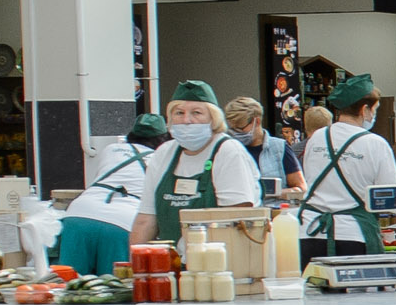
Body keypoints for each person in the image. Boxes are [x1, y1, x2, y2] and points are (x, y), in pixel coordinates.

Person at [131, 83, 264, 247]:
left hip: (220, 262)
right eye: (179, 113)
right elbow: (146, 219)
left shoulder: (228, 151)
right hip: (172, 262)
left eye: (197, 113)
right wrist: (135, 262)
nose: (187, 120)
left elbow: (236, 217)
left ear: (213, 119)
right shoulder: (163, 153)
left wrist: (194, 250)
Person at [293, 75, 396, 264]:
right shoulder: (375, 144)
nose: (373, 115)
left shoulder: (317, 137)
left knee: (313, 289)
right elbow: (389, 200)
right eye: (375, 110)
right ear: (365, 109)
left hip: (310, 232)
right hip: (352, 235)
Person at [57, 112, 167, 274]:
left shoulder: (111, 149)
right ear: (163, 139)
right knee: (114, 289)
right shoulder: (162, 158)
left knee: (69, 286)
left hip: (78, 215)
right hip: (123, 222)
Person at [227, 97, 301, 193]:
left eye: (241, 128)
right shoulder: (230, 150)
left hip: (273, 206)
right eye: (233, 129)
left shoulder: (280, 148)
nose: (236, 133)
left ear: (257, 122)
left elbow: (301, 188)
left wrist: (273, 192)